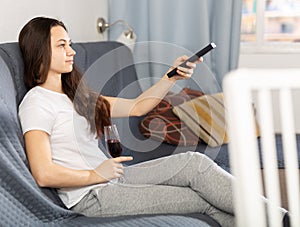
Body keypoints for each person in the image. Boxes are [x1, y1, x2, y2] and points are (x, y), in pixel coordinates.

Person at [17, 16, 287, 227]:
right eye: (62, 45)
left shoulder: (76, 95)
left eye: (70, 43)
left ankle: (282, 218)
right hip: (90, 196)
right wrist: (95, 174)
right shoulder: (36, 103)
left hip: (112, 179)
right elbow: (43, 173)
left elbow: (138, 107)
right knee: (200, 200)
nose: (71, 51)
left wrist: (170, 77)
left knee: (195, 163)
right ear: (40, 51)